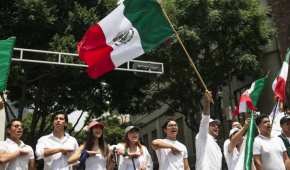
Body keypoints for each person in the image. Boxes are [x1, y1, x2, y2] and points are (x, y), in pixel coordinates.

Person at [195, 91, 222, 170]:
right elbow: (205, 117)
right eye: (213, 125)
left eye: (217, 125)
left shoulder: (215, 143)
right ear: (206, 127)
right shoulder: (203, 136)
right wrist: (207, 102)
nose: (216, 127)